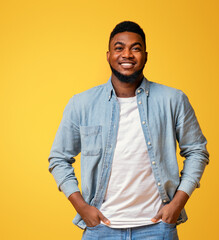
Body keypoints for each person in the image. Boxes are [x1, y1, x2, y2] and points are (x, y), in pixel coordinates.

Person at [48, 21, 209, 240]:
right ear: (108, 55)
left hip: (158, 227)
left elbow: (197, 151)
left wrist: (178, 203)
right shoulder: (81, 104)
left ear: (145, 55)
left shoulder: (173, 100)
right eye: (119, 48)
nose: (127, 54)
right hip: (100, 229)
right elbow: (59, 158)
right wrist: (82, 208)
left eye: (135, 48)